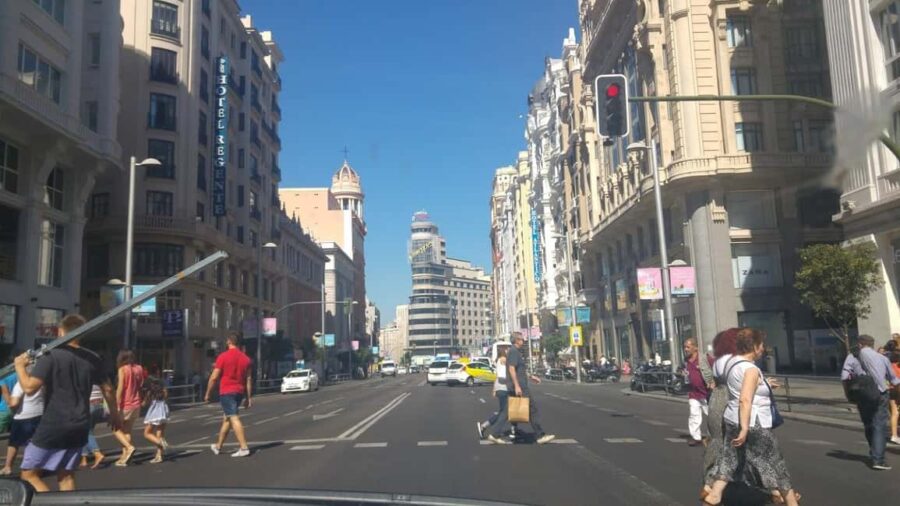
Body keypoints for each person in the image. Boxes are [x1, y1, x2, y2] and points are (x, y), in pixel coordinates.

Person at [13, 314, 120, 492]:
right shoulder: (92, 358)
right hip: (80, 424)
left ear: (60, 331)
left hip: (54, 423)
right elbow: (108, 389)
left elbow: (30, 388)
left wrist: (19, 366)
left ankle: (48, 503)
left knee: (29, 475)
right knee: (66, 475)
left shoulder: (50, 356)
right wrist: (115, 414)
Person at [704, 329, 799, 506]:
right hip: (754, 421)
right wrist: (745, 428)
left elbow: (741, 389)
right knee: (776, 461)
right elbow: (745, 399)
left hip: (731, 418)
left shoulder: (733, 363)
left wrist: (765, 384)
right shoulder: (750, 369)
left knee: (730, 458)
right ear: (754, 346)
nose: (763, 349)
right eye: (761, 345)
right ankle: (791, 501)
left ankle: (715, 494)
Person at [841, 334, 900, 470]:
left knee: (868, 424)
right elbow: (894, 379)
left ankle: (874, 452)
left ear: (860, 344)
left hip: (863, 394)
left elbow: (844, 377)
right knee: (879, 424)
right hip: (881, 393)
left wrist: (848, 394)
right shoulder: (883, 358)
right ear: (872, 344)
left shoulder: (853, 356)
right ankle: (878, 459)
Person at [496, 332, 554, 445]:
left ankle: (494, 434)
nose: (523, 341)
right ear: (517, 340)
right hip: (520, 387)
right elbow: (512, 369)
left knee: (507, 411)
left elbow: (519, 370)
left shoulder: (515, 352)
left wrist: (531, 377)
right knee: (532, 409)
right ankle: (540, 435)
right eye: (522, 339)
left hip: (518, 385)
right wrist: (517, 385)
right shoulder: (513, 351)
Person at [205, 332, 252, 457]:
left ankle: (244, 447)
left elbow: (214, 377)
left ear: (229, 342)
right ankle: (218, 446)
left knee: (233, 417)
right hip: (239, 392)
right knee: (227, 418)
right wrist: (248, 398)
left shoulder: (223, 357)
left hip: (227, 391)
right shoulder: (246, 359)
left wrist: (207, 393)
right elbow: (248, 379)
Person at [0, 366, 44, 475]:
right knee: (35, 443)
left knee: (14, 443)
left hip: (22, 416)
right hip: (39, 415)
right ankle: (37, 468)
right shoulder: (41, 383)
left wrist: (6, 395)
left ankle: (8, 467)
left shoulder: (19, 385)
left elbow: (13, 403)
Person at [111, 350, 144, 467]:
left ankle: (129, 448)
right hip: (136, 403)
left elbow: (120, 388)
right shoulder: (139, 368)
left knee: (115, 428)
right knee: (127, 431)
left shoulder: (122, 369)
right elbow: (141, 385)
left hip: (125, 404)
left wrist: (115, 404)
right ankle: (124, 456)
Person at [684, 338, 712, 446]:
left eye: (688, 347)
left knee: (711, 415)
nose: (686, 349)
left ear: (695, 347)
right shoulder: (686, 360)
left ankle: (716, 436)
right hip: (693, 392)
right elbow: (686, 372)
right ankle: (696, 437)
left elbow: (715, 368)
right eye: (685, 347)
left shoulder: (705, 358)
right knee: (694, 415)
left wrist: (713, 381)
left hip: (706, 393)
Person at [477, 347, 509, 443]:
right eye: (507, 350)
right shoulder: (503, 360)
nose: (509, 351)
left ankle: (484, 426)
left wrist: (494, 389)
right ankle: (491, 431)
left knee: (503, 412)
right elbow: (509, 370)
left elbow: (497, 376)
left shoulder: (499, 361)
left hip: (501, 388)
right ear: (503, 352)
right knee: (505, 412)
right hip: (504, 388)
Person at [141, 365, 170, 464]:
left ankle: (160, 443)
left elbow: (147, 394)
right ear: (157, 371)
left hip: (155, 406)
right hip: (163, 406)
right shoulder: (161, 381)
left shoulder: (147, 381)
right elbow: (166, 393)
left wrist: (144, 402)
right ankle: (159, 456)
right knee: (160, 433)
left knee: (147, 433)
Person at [79, 385, 106, 469]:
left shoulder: (81, 375)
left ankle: (97, 453)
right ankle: (84, 459)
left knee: (85, 432)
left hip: (89, 404)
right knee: (85, 431)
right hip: (99, 405)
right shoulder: (97, 374)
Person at [889, 351, 900, 446]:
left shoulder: (890, 367)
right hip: (899, 389)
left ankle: (894, 435)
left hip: (891, 389)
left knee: (894, 413)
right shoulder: (899, 367)